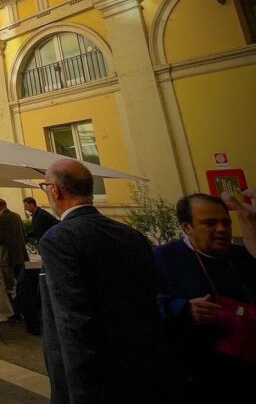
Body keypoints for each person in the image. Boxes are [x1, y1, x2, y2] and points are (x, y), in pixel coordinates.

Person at [38, 159, 171, 403]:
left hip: (94, 378)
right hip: (141, 367)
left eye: (45, 186)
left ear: (54, 190)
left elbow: (72, 322)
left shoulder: (58, 239)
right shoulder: (131, 235)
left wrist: (79, 392)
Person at [153, 193, 256, 398]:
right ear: (186, 227)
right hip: (200, 377)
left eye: (226, 222)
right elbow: (140, 306)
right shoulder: (161, 259)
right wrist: (183, 309)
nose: (222, 229)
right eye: (210, 223)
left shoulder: (243, 254)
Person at [0, 198, 28, 301]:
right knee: (21, 283)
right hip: (20, 255)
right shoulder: (17, 216)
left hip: (7, 257)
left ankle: (13, 307)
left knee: (10, 286)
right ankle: (22, 305)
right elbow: (24, 234)